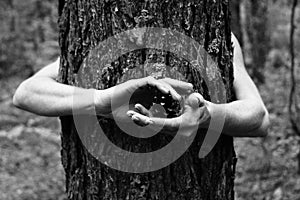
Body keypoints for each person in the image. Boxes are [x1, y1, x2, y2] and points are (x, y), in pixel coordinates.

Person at [13, 34, 270, 138]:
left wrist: (205, 115)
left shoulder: (218, 35)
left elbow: (259, 118)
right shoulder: (97, 34)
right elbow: (27, 93)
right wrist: (104, 100)